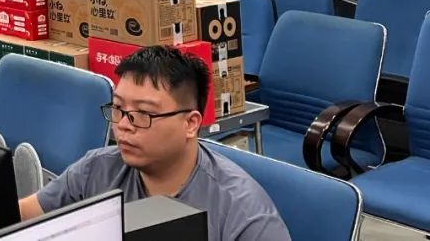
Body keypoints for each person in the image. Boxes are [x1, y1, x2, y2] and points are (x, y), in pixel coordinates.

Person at [19, 46, 291, 241]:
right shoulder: (96, 169)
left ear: (191, 124)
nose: (124, 125)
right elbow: (23, 216)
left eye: (143, 114)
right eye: (118, 108)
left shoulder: (243, 214)